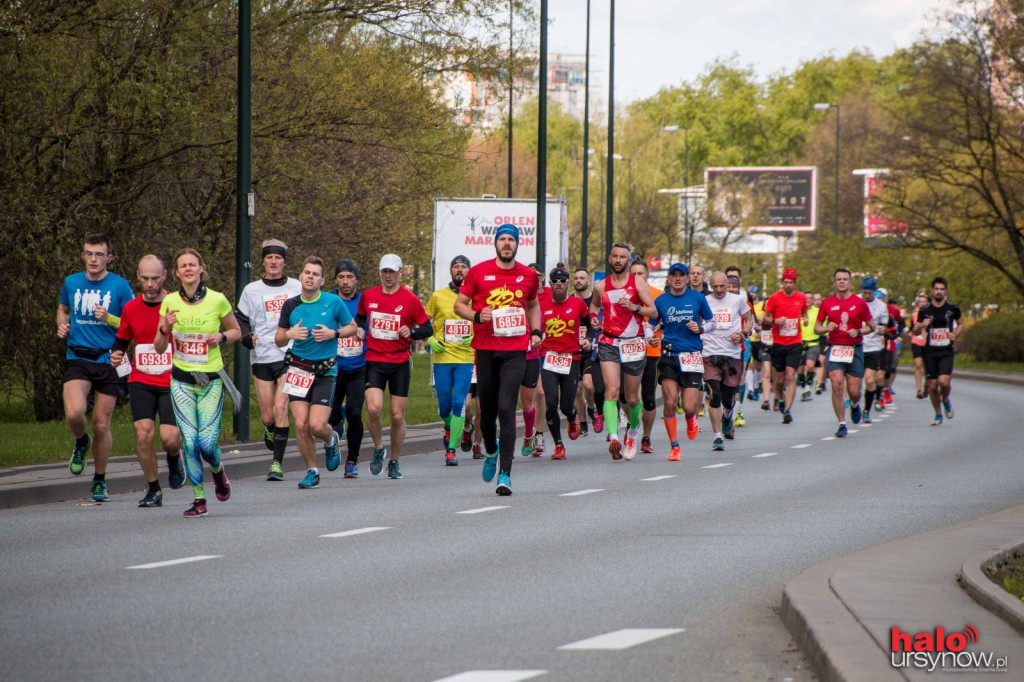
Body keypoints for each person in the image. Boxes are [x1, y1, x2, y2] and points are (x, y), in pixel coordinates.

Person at [454, 224, 542, 496]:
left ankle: (505, 472)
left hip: (515, 349)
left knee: (506, 408)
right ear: (496, 243)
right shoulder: (479, 272)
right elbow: (459, 305)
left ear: (517, 244)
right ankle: (490, 451)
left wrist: (536, 331)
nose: (506, 243)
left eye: (511, 240)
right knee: (486, 411)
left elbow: (532, 304)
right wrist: (478, 315)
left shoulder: (528, 275)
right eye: (502, 239)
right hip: (486, 349)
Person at [154, 248, 241, 517]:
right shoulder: (169, 302)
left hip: (211, 382)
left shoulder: (217, 300)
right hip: (181, 381)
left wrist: (221, 338)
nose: (189, 269)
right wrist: (164, 329)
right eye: (183, 266)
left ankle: (217, 470)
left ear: (201, 268)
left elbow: (236, 330)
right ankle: (199, 499)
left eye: (193, 264)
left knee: (206, 444)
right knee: (189, 443)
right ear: (177, 272)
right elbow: (158, 348)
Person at [58, 233, 136, 502]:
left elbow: (133, 323)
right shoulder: (71, 282)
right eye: (89, 254)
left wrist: (110, 317)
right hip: (78, 357)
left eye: (99, 254)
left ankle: (100, 480)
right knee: (74, 412)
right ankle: (81, 441)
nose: (93, 259)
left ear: (109, 258)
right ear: (83, 256)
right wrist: (62, 324)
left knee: (101, 425)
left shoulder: (121, 286)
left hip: (109, 359)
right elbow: (63, 308)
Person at [275, 256, 358, 489]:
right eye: (307, 273)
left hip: (325, 371)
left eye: (315, 274)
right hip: (298, 369)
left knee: (316, 425)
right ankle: (312, 471)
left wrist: (334, 334)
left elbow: (352, 327)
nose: (310, 277)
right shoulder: (290, 305)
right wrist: (289, 335)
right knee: (301, 425)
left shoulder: (333, 302)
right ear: (300, 276)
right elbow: (278, 340)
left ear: (322, 281)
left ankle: (331, 439)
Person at [109, 255, 185, 507]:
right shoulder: (130, 307)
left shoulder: (176, 303)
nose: (150, 284)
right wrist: (116, 354)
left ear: (164, 276)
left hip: (172, 379)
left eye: (155, 278)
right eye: (145, 279)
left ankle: (174, 456)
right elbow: (122, 338)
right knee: (143, 434)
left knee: (169, 437)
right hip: (141, 378)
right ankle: (154, 488)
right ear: (138, 277)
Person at [357, 254, 433, 479]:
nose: (388, 276)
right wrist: (361, 329)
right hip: (374, 359)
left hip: (399, 361)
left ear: (400, 273)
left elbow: (427, 328)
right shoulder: (368, 296)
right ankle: (379, 447)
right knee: (373, 409)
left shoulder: (410, 300)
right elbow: (361, 318)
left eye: (392, 271)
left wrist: (413, 332)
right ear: (380, 272)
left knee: (397, 415)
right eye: (384, 271)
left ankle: (395, 460)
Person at [235, 239, 302, 481]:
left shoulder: (296, 286)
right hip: (262, 355)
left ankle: (277, 464)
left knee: (281, 406)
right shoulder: (251, 290)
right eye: (269, 257)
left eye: (278, 258)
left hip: (289, 354)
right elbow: (240, 318)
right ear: (263, 261)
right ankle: (271, 429)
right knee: (267, 415)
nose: (274, 262)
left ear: (284, 262)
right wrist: (245, 337)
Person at [589, 242, 657, 460]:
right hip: (609, 341)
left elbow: (653, 311)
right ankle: (614, 437)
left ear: (629, 261)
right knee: (611, 390)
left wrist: (635, 308)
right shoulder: (600, 286)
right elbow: (595, 307)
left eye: (622, 257)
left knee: (631, 397)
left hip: (633, 343)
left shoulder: (637, 283)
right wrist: (593, 320)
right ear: (610, 259)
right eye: (615, 256)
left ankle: (633, 432)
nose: (618, 260)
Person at [649, 263, 715, 461]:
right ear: (669, 279)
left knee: (689, 407)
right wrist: (650, 337)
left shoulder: (698, 298)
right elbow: (650, 325)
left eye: (681, 275)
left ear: (687, 278)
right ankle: (675, 447)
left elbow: (712, 323)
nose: (677, 279)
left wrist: (701, 329)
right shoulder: (660, 301)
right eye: (674, 275)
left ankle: (691, 418)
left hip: (692, 355)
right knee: (669, 402)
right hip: (669, 355)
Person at [814, 268, 876, 438]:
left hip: (854, 348)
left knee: (854, 390)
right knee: (837, 385)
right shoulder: (827, 303)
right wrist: (826, 328)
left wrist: (859, 331)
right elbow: (816, 328)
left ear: (850, 283)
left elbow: (872, 326)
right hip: (835, 348)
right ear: (834, 283)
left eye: (845, 279)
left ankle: (855, 405)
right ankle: (842, 423)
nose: (841, 282)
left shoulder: (859, 302)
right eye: (838, 279)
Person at [426, 255, 475, 466]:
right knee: (445, 407)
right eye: (456, 266)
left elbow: (484, 320)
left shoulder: (476, 296)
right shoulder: (438, 296)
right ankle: (449, 426)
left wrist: (475, 336)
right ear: (451, 271)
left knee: (459, 403)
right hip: (442, 357)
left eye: (464, 267)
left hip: (465, 357)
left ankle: (451, 451)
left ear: (469, 272)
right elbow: (423, 322)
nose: (460, 270)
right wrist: (429, 339)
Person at [539, 265, 592, 459]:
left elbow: (591, 326)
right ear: (550, 284)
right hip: (549, 357)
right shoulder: (542, 305)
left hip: (572, 358)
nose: (559, 284)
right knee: (550, 403)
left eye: (563, 281)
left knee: (566, 405)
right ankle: (559, 445)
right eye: (555, 281)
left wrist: (588, 339)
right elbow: (534, 327)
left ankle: (571, 416)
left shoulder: (578, 304)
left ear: (568, 284)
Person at [701, 271, 752, 451]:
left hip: (731, 355)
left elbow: (749, 319)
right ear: (710, 285)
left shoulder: (737, 300)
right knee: (714, 394)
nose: (719, 290)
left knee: (728, 397)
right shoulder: (705, 301)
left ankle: (729, 413)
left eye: (722, 286)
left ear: (726, 284)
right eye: (715, 287)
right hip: (709, 354)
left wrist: (743, 334)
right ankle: (717, 437)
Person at [328, 258, 367, 478]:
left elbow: (371, 327)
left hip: (358, 367)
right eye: (341, 277)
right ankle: (337, 419)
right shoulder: (329, 300)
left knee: (355, 412)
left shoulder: (363, 302)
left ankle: (352, 461)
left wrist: (363, 333)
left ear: (356, 280)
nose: (345, 281)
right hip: (333, 367)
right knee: (330, 416)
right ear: (335, 280)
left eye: (350, 277)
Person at [912, 277, 962, 426]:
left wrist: (956, 333)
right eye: (936, 289)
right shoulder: (925, 310)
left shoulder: (952, 308)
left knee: (943, 381)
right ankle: (938, 413)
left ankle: (945, 399)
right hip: (930, 351)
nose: (939, 292)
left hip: (946, 350)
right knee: (933, 385)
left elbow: (961, 324)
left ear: (945, 291)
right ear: (932, 291)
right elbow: (914, 331)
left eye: (942, 289)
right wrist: (921, 325)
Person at [762, 268, 809, 424]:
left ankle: (787, 410)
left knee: (790, 375)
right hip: (778, 342)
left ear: (794, 282)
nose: (788, 285)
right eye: (785, 282)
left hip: (795, 341)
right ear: (782, 282)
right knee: (779, 380)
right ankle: (780, 398)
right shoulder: (775, 298)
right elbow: (766, 318)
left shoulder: (801, 298)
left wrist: (805, 319)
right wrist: (776, 321)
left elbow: (804, 312)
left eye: (790, 282)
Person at [630, 259, 663, 454]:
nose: (636, 277)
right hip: (628, 351)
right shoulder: (625, 294)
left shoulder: (658, 295)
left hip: (651, 352)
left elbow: (667, 318)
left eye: (640, 273)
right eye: (633, 273)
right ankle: (632, 426)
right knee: (627, 397)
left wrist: (661, 326)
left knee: (649, 396)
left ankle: (646, 437)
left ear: (647, 274)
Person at [520, 263, 549, 457]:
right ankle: (518, 434)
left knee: (540, 393)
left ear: (542, 276)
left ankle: (537, 433)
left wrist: (540, 336)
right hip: (516, 350)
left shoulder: (548, 295)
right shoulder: (520, 294)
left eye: (536, 274)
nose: (533, 277)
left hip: (541, 352)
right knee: (510, 398)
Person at [572, 267, 601, 435]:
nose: (578, 281)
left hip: (592, 349)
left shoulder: (594, 301)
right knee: (577, 390)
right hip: (574, 350)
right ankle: (583, 423)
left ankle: (591, 408)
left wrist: (590, 339)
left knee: (589, 386)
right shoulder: (569, 300)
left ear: (588, 281)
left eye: (582, 278)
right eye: (575, 278)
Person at [857, 276, 889, 424]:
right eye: (864, 292)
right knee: (855, 386)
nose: (866, 296)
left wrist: (882, 329)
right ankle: (855, 404)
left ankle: (866, 411)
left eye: (869, 293)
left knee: (870, 380)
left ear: (874, 292)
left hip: (873, 347)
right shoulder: (855, 301)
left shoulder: (881, 307)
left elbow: (884, 327)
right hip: (856, 346)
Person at [877, 288, 904, 406]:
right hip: (871, 347)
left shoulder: (888, 312)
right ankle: (879, 397)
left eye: (880, 299)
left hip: (886, 345)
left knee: (886, 372)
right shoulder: (866, 311)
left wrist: (896, 336)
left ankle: (885, 389)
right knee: (874, 374)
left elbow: (896, 326)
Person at [798, 291, 821, 402]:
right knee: (800, 370)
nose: (808, 300)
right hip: (799, 343)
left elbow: (824, 324)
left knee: (810, 365)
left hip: (813, 342)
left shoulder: (818, 311)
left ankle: (809, 387)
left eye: (811, 298)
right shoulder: (798, 311)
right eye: (806, 298)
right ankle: (804, 388)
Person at [909, 292, 930, 399]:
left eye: (924, 302)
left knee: (927, 367)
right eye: (920, 302)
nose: (922, 303)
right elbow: (911, 329)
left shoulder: (931, 314)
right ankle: (919, 389)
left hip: (927, 342)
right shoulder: (914, 315)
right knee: (918, 365)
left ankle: (927, 384)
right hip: (916, 341)